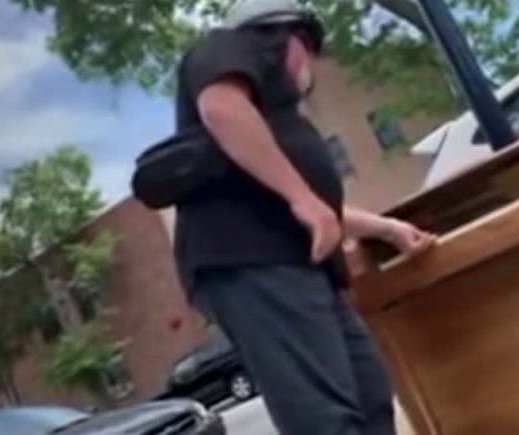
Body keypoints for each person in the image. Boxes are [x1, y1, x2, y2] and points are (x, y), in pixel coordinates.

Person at [173, 1, 436, 433]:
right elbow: (220, 107)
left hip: (301, 265)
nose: (310, 68)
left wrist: (389, 228)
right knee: (323, 418)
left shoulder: (272, 131)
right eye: (309, 52)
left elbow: (322, 211)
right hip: (255, 262)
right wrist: (304, 200)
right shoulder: (230, 46)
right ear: (289, 36)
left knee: (371, 396)